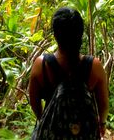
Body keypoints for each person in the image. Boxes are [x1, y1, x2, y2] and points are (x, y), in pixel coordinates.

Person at [29, 7, 109, 138]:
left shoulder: (41, 64)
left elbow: (34, 102)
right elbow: (103, 104)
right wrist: (102, 123)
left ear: (55, 35)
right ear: (81, 34)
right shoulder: (94, 66)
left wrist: (43, 119)